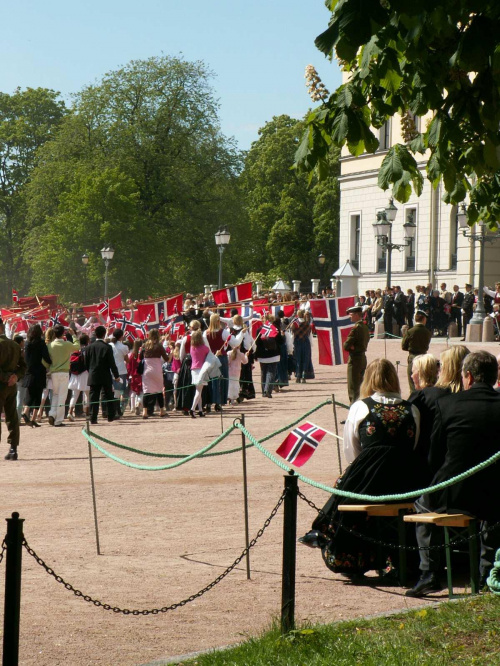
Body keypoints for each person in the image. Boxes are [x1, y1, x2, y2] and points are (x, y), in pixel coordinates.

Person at [300, 359, 423, 580]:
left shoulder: (360, 407)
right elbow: (413, 447)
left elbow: (352, 451)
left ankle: (324, 534)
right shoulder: (411, 409)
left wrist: (367, 469)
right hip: (406, 480)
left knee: (344, 490)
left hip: (368, 478)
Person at [406, 351, 500, 597]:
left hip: (454, 490)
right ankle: (487, 574)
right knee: (492, 514)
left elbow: (435, 456)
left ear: (467, 376)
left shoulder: (447, 405)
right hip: (495, 490)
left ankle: (429, 572)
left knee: (422, 504)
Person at [409, 345, 470, 471]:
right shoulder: (473, 397)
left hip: (430, 465)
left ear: (448, 368)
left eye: (441, 365)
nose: (438, 370)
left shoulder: (428, 396)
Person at [0, 318, 27, 460]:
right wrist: (15, 377)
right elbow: (23, 366)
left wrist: (6, 378)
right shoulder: (15, 345)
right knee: (12, 417)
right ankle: (13, 448)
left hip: (1, 385)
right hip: (11, 386)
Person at [44, 324, 80, 427]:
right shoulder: (67, 344)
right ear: (63, 333)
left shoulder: (49, 345)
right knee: (62, 396)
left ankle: (52, 413)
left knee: (55, 395)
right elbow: (77, 347)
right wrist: (74, 336)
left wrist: (49, 367)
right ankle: (58, 420)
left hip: (54, 373)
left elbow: (44, 360)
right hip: (64, 373)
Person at [85, 325, 120, 425]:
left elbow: (86, 363)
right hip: (105, 375)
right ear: (104, 334)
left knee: (93, 397)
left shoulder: (89, 347)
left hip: (93, 374)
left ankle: (93, 417)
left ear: (95, 334)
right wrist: (116, 375)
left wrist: (90, 371)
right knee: (109, 395)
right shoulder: (107, 347)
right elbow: (111, 363)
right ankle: (110, 416)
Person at [21, 324, 51, 427]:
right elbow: (46, 356)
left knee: (29, 393)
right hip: (39, 371)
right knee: (38, 394)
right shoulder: (41, 343)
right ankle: (33, 418)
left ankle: (25, 412)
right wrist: (50, 362)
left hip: (29, 371)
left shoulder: (27, 343)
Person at [343, 306, 370, 404]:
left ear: (356, 314)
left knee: (353, 387)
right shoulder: (364, 326)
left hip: (355, 359)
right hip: (362, 357)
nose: (350, 317)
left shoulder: (356, 328)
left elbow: (346, 345)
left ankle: (354, 407)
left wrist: (351, 346)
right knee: (360, 384)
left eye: (351, 315)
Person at [401, 310, 432, 394]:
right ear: (424, 319)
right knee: (424, 382)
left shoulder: (410, 331)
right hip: (423, 357)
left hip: (413, 357)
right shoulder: (427, 332)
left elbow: (403, 346)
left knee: (412, 383)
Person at [140, 329, 169, 419]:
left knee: (146, 391)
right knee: (159, 390)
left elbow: (140, 357)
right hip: (157, 370)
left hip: (147, 370)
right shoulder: (159, 346)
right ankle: (162, 410)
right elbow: (166, 359)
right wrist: (170, 354)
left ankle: (144, 412)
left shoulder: (145, 345)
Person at [254, 315, 283, 398]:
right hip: (273, 354)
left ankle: (264, 391)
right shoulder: (275, 329)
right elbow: (281, 342)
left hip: (262, 355)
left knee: (263, 373)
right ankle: (267, 391)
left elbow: (257, 343)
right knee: (271, 373)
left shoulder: (259, 329)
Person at [67, 334, 90, 421]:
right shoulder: (87, 350)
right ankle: (87, 413)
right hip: (85, 373)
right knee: (87, 395)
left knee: (74, 395)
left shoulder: (75, 350)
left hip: (75, 374)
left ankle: (70, 412)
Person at [36, 327, 56, 422]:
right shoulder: (53, 345)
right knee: (53, 393)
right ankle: (52, 413)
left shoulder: (43, 344)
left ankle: (40, 412)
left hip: (44, 370)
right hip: (52, 369)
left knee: (44, 393)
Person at [189, 329, 210, 417]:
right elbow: (209, 356)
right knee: (198, 391)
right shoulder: (204, 348)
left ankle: (200, 410)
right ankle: (192, 409)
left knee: (199, 391)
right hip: (201, 369)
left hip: (193, 370)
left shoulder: (192, 347)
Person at [109, 328, 129, 416]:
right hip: (120, 371)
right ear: (121, 336)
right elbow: (127, 360)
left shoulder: (109, 345)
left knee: (112, 391)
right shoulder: (124, 347)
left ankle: (115, 411)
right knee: (118, 391)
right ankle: (117, 411)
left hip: (110, 371)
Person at [292, 309, 312, 383]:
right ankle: (303, 376)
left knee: (298, 359)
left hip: (297, 342)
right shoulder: (307, 324)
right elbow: (310, 335)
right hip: (306, 342)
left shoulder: (294, 323)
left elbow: (292, 335)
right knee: (305, 359)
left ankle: (298, 376)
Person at [127, 339, 143, 415]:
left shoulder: (131, 355)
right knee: (141, 391)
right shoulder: (141, 354)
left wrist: (129, 374)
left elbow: (129, 366)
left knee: (133, 391)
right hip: (141, 375)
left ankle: (132, 408)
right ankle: (138, 403)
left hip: (133, 375)